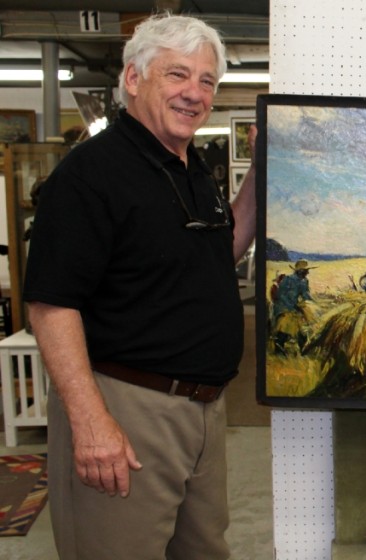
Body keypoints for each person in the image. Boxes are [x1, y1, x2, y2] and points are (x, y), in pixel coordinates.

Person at [22, 14, 257, 560]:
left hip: (203, 409)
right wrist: (91, 421)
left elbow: (218, 256)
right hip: (129, 410)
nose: (194, 94)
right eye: (178, 75)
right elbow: (51, 306)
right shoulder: (90, 175)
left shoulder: (189, 169)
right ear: (133, 78)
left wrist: (259, 171)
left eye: (206, 81)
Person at [271, 259, 316, 353]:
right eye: (305, 270)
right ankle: (279, 345)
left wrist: (312, 303)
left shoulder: (304, 281)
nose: (307, 272)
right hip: (282, 306)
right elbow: (280, 295)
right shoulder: (288, 279)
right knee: (286, 322)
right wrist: (291, 306)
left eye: (307, 270)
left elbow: (305, 294)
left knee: (302, 323)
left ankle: (303, 347)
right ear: (299, 271)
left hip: (294, 306)